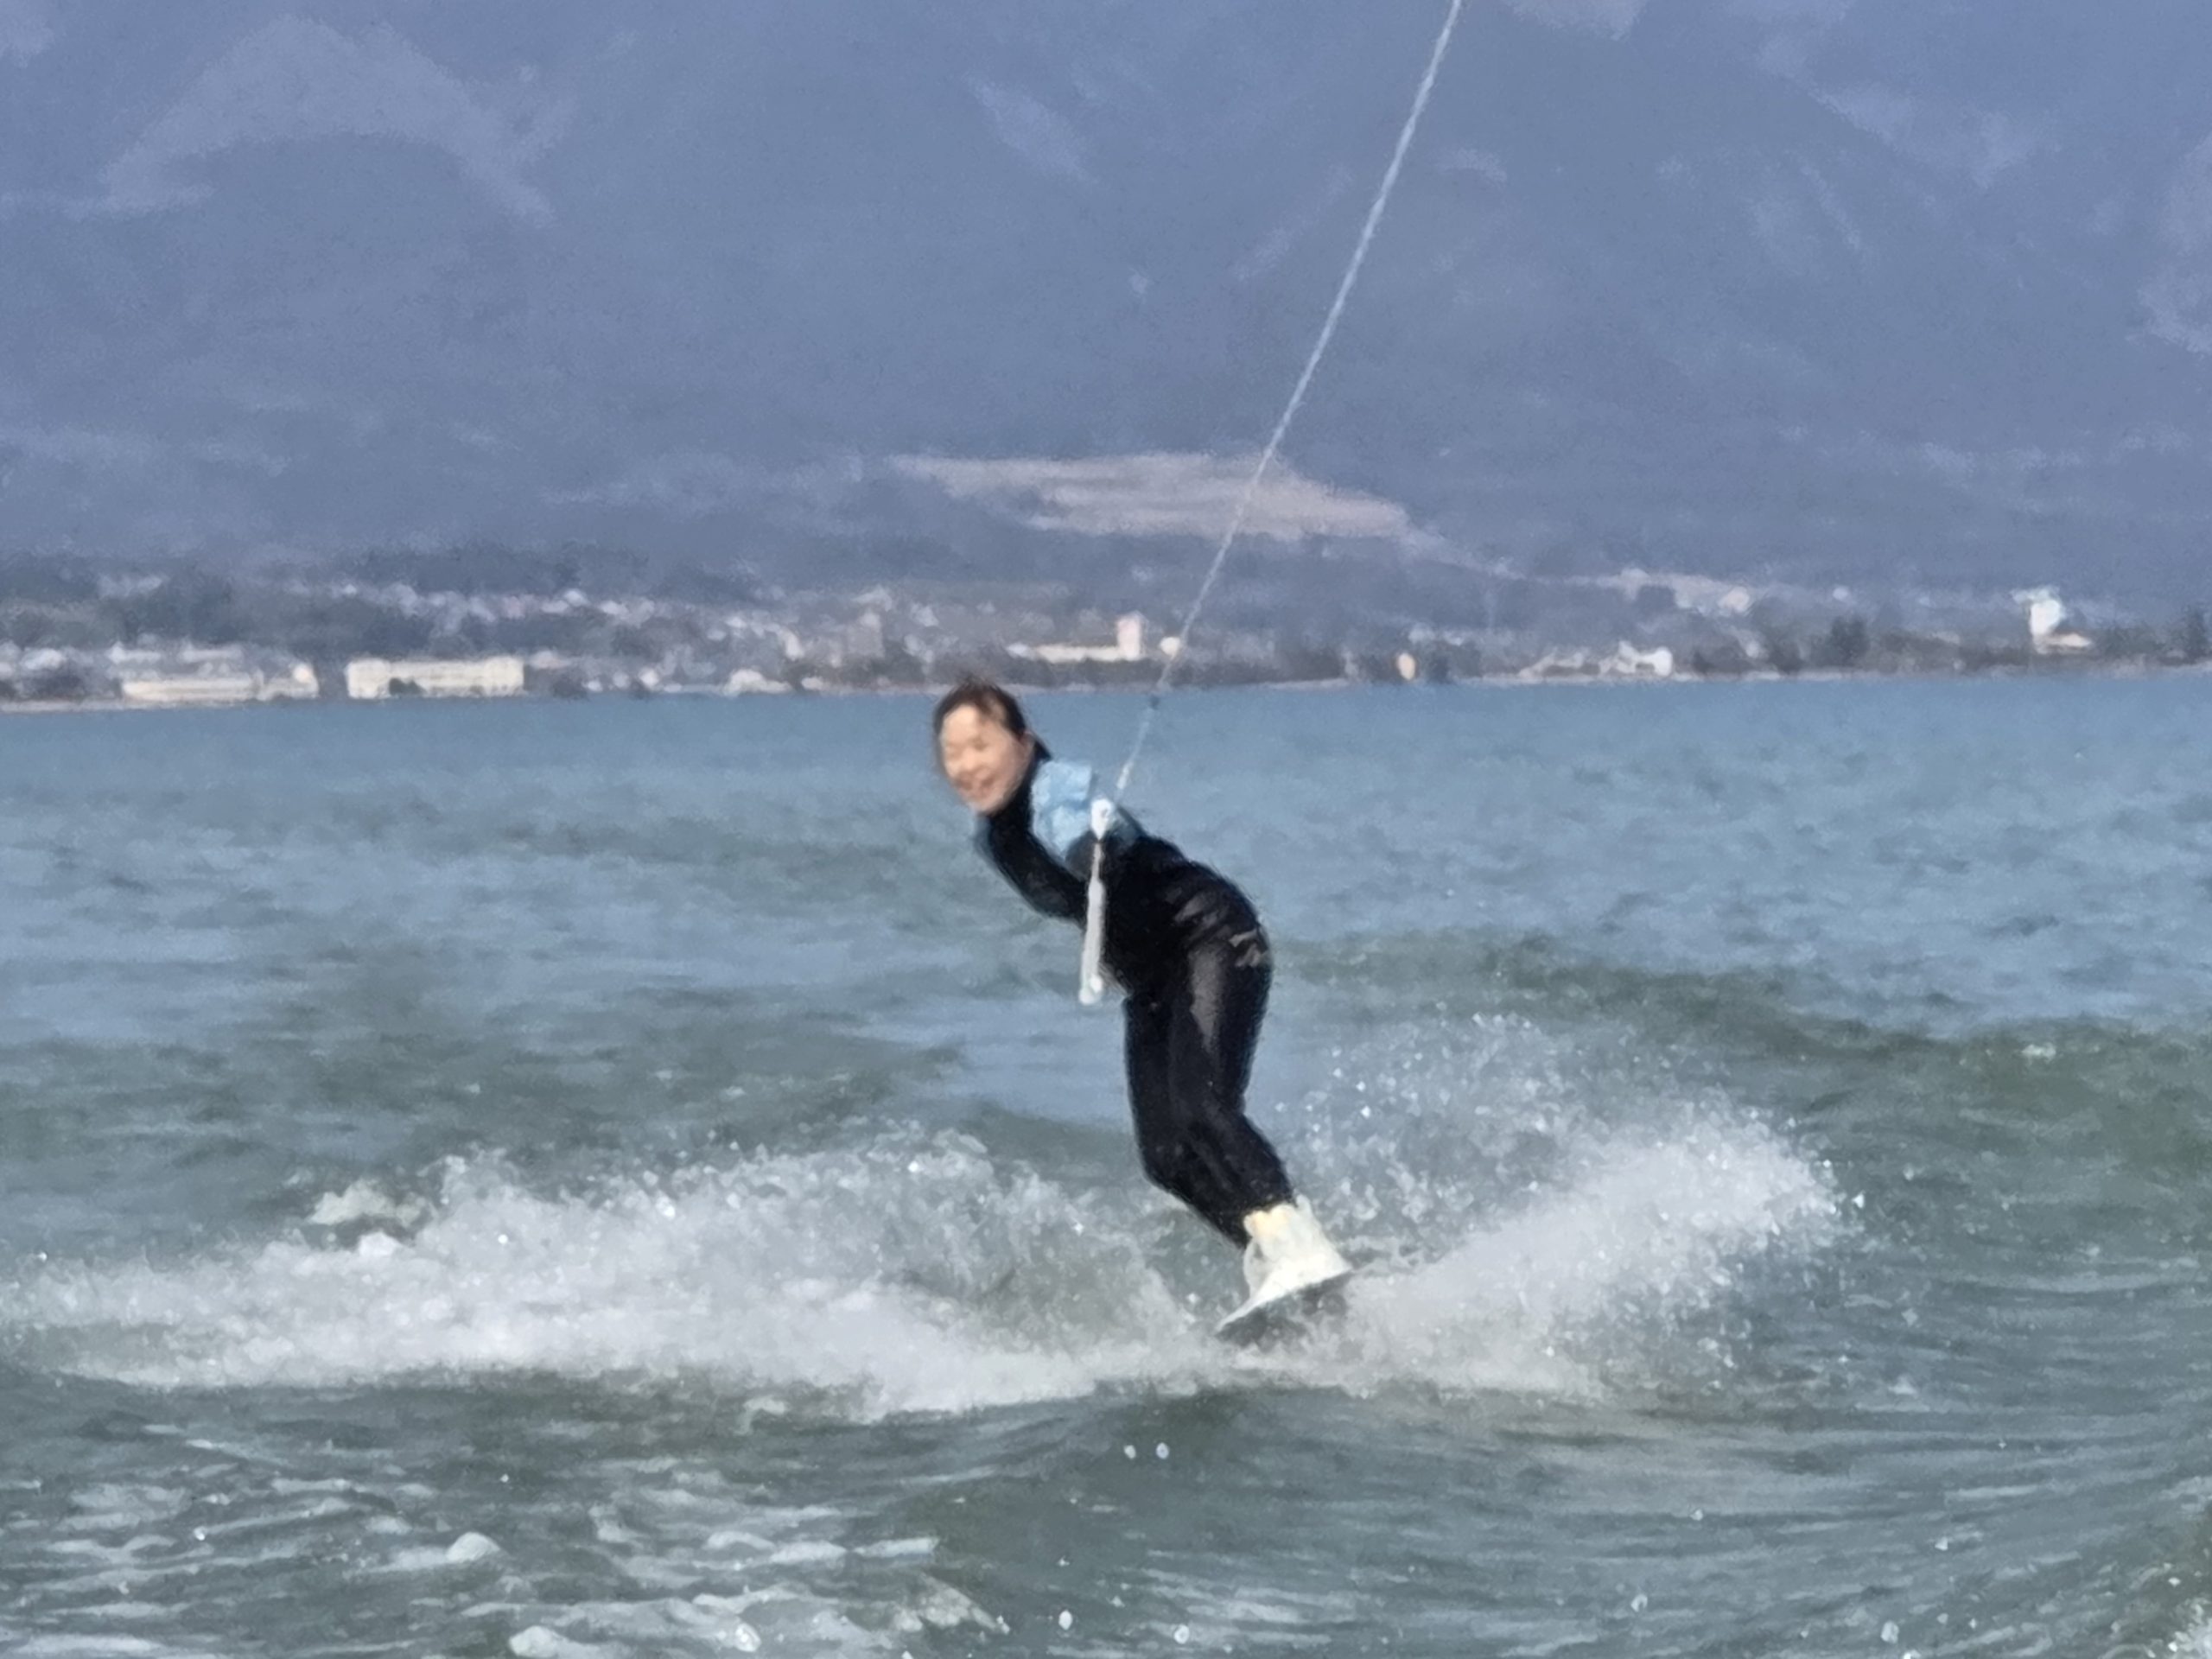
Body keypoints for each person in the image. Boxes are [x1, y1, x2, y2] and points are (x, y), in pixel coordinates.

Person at [931, 677, 1351, 1322]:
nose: (966, 765)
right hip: (1153, 980)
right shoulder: (990, 840)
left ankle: (1299, 1243)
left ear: (1025, 742)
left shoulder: (1055, 790)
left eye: (981, 745)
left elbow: (1091, 823)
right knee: (1165, 1157)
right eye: (951, 753)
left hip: (1210, 939)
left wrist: (1094, 846)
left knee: (1202, 1107)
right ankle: (1277, 1256)